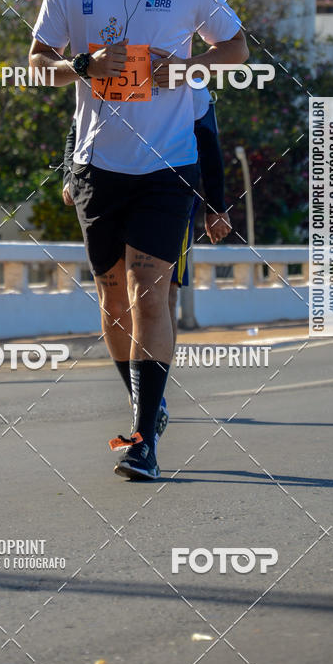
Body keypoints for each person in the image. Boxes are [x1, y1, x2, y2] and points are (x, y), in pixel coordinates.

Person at [29, 0, 248, 480]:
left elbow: (235, 48)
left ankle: (142, 438)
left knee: (151, 287)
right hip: (99, 165)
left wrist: (188, 71)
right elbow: (38, 63)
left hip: (168, 164)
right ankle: (146, 404)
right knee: (112, 301)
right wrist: (79, 65)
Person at [62, 87, 232, 441]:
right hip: (107, 188)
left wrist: (216, 207)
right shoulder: (110, 63)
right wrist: (69, 175)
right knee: (117, 300)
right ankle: (142, 396)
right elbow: (81, 123)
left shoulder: (189, 79)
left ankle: (149, 408)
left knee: (159, 297)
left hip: (169, 195)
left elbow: (209, 141)